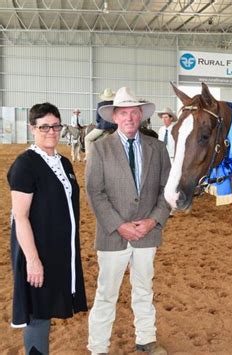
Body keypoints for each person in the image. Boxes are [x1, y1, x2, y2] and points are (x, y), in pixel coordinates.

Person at [86, 87, 171, 355]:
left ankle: (146, 339)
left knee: (144, 288)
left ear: (141, 116)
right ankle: (98, 347)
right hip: (113, 234)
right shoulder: (100, 149)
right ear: (114, 116)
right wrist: (119, 225)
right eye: (123, 113)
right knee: (106, 293)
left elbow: (166, 190)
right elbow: (94, 192)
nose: (129, 117)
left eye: (134, 112)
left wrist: (153, 221)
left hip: (147, 233)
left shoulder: (157, 148)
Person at [7, 102, 87, 354]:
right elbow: (20, 217)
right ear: (33, 128)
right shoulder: (25, 164)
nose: (51, 131)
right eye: (44, 127)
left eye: (55, 126)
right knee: (38, 312)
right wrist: (32, 259)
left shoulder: (65, 163)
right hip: (36, 251)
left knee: (47, 306)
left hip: (59, 252)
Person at [84, 88, 117, 159]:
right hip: (116, 128)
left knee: (87, 139)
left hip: (103, 127)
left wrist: (101, 123)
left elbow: (97, 119)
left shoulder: (100, 104)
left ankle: (88, 156)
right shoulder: (116, 104)